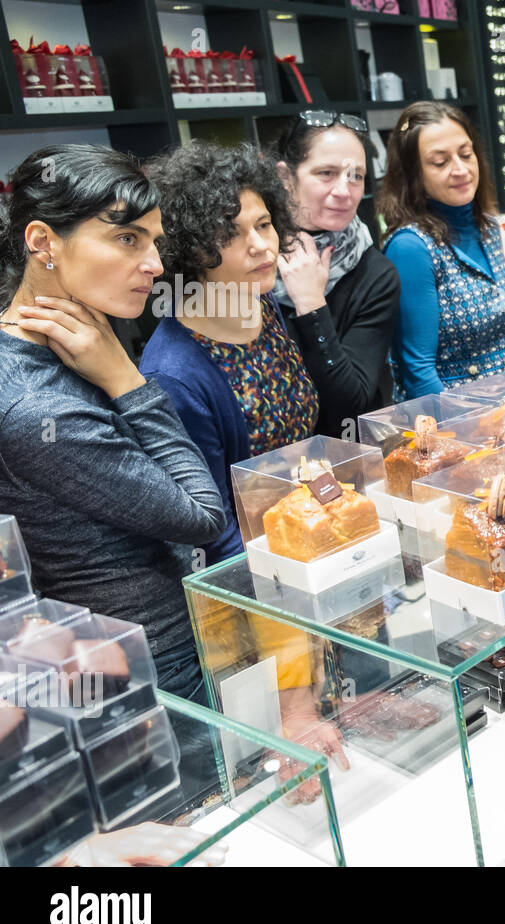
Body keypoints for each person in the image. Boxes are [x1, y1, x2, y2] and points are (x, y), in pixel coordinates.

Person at [0, 144, 225, 701]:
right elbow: (201, 516)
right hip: (153, 662)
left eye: (154, 242)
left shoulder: (63, 342)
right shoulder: (39, 405)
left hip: (141, 646)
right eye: (127, 239)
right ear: (42, 243)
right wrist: (128, 383)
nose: (153, 264)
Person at [140, 142, 319, 564]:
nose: (260, 246)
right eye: (229, 234)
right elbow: (212, 529)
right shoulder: (174, 374)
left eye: (264, 224)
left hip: (312, 533)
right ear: (190, 249)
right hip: (259, 572)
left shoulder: (264, 306)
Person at [378, 101, 505, 398]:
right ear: (413, 174)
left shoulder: (488, 227)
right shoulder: (411, 247)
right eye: (440, 162)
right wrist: (465, 432)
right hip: (457, 416)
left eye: (465, 154)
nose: (460, 169)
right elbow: (417, 370)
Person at [273, 110, 401, 439]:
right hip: (259, 459)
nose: (345, 190)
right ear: (286, 177)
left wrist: (311, 302)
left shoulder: (374, 272)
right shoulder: (250, 257)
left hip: (343, 456)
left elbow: (351, 401)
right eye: (326, 173)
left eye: (356, 176)